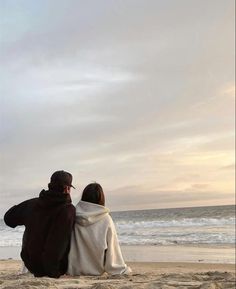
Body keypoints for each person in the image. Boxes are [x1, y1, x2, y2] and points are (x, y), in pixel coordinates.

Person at [4, 170, 76, 278]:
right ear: (66, 189)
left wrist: (28, 216)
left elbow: (8, 218)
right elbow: (58, 243)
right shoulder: (67, 210)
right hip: (52, 268)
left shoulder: (33, 204)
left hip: (30, 262)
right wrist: (53, 272)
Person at [67, 183, 131, 276]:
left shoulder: (73, 216)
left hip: (73, 271)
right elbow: (112, 250)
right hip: (96, 272)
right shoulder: (106, 219)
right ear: (101, 199)